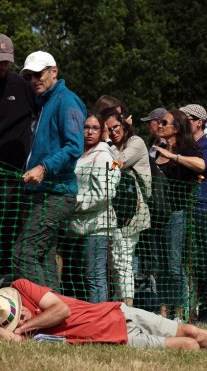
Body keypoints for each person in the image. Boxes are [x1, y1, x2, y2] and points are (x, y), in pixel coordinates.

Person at [0, 278, 207, 355]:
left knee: (191, 328)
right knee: (189, 345)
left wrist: (29, 323)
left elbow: (61, 309)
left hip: (117, 311)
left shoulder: (22, 286)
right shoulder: (13, 330)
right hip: (117, 338)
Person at [12, 51, 85, 291]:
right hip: (42, 192)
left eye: (39, 73)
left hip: (57, 192)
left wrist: (43, 167)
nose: (34, 80)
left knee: (24, 253)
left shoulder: (67, 100)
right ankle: (56, 318)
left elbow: (75, 147)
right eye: (29, 76)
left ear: (54, 71)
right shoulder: (44, 102)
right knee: (44, 256)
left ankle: (48, 310)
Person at [0, 33, 37, 292]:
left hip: (13, 175)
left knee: (7, 232)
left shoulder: (22, 86)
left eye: (6, 61)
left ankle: (5, 285)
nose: (2, 66)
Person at [151, 110, 204, 321]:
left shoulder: (188, 149)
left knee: (175, 265)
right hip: (158, 214)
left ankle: (180, 312)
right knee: (161, 266)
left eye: (165, 123)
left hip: (177, 213)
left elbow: (201, 165)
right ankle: (163, 312)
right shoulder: (159, 149)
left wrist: (173, 156)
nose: (160, 126)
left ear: (178, 127)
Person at [69, 113, 120, 303]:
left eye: (95, 128)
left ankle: (100, 320)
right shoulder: (78, 153)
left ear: (102, 132)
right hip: (76, 228)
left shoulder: (103, 156)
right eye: (86, 127)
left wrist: (73, 202)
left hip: (98, 227)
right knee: (80, 278)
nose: (89, 132)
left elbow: (105, 194)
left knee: (95, 277)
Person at [104, 109, 152, 306]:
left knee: (123, 260)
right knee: (115, 261)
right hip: (114, 210)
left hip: (133, 210)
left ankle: (127, 306)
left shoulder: (136, 142)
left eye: (115, 127)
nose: (113, 132)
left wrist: (106, 142)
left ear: (123, 125)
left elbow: (118, 163)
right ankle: (118, 304)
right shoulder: (115, 145)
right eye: (108, 129)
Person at [179, 104, 207, 322]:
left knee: (203, 262)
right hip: (182, 208)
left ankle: (206, 309)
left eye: (186, 118)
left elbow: (201, 166)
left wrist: (175, 156)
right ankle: (186, 308)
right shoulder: (182, 145)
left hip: (202, 209)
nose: (181, 122)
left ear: (199, 122)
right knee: (182, 261)